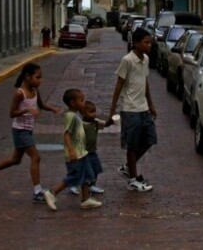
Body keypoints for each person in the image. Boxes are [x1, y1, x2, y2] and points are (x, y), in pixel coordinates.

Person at [0, 62, 61, 203]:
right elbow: (12, 113)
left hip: (28, 130)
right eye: (37, 77)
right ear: (27, 77)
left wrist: (54, 109)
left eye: (41, 77)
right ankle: (37, 192)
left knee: (16, 159)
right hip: (20, 130)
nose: (40, 80)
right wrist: (26, 110)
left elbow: (41, 105)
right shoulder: (20, 93)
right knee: (36, 157)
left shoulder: (35, 90)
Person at [108, 27, 157, 192]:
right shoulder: (127, 60)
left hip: (143, 108)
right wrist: (112, 110)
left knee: (150, 139)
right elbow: (119, 85)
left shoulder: (146, 60)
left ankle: (129, 167)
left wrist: (151, 104)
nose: (149, 45)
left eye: (150, 42)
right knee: (132, 144)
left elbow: (146, 83)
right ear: (136, 43)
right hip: (130, 109)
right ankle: (133, 180)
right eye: (146, 42)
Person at [44, 88, 101, 211]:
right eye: (81, 100)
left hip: (82, 153)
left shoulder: (76, 116)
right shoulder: (71, 116)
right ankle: (52, 192)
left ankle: (85, 199)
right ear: (72, 103)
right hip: (76, 155)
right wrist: (71, 151)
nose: (84, 103)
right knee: (74, 176)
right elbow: (67, 134)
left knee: (87, 175)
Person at [69, 100, 110, 195]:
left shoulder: (96, 122)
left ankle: (92, 185)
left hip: (92, 151)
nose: (94, 114)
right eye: (91, 112)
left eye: (94, 111)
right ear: (83, 113)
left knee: (96, 168)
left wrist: (112, 119)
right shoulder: (80, 125)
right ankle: (73, 185)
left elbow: (106, 124)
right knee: (80, 170)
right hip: (82, 153)